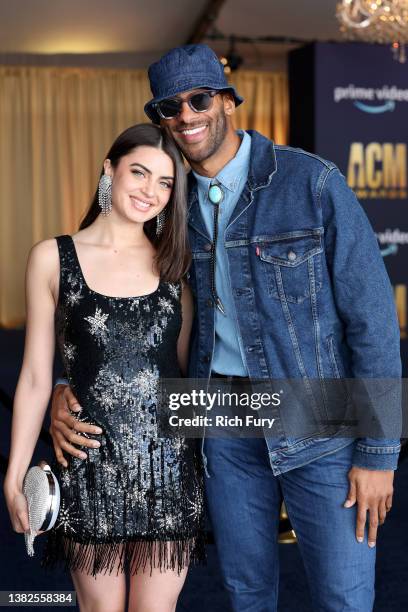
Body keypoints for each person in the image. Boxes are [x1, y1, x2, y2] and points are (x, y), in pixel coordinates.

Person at [48, 45, 401, 611]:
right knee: (246, 593)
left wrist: (379, 454)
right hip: (218, 420)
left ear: (228, 101)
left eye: (200, 98)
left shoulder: (310, 183)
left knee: (344, 596)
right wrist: (65, 387)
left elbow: (374, 322)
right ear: (159, 118)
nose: (187, 115)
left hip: (320, 413)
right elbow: (112, 308)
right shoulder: (164, 203)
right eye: (170, 106)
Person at [4, 123, 205, 612]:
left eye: (165, 183)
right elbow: (34, 375)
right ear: (109, 168)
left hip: (168, 471)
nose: (150, 192)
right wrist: (13, 475)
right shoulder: (52, 258)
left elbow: (181, 371)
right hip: (89, 466)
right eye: (139, 173)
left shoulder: (176, 266)